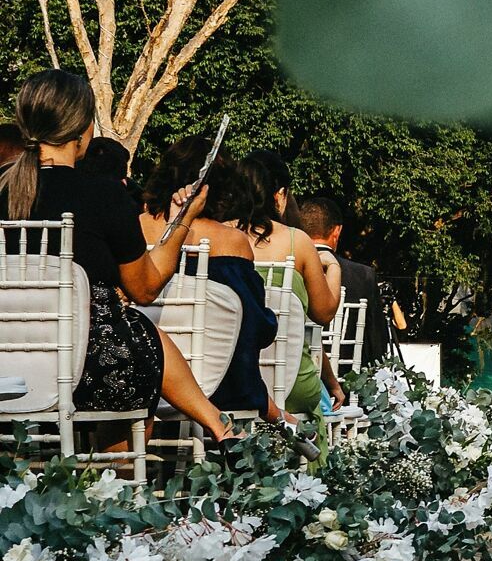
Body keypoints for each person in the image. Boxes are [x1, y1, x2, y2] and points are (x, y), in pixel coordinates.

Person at [0, 71, 247, 458]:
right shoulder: (102, 195)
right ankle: (113, 485)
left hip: (7, 363)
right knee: (135, 333)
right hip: (86, 369)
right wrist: (182, 220)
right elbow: (145, 287)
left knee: (132, 330)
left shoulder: (4, 189)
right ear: (82, 129)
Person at [138, 140, 284, 424]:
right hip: (216, 387)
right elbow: (256, 327)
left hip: (142, 374)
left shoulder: (135, 227)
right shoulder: (233, 242)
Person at [235, 155, 339, 417]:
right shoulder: (297, 242)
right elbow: (324, 313)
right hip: (290, 383)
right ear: (280, 195)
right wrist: (334, 267)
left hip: (228, 379)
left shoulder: (221, 237)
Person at [297, 195, 392, 369]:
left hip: (293, 375)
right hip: (347, 377)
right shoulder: (363, 275)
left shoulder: (289, 269)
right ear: (337, 231)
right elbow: (377, 343)